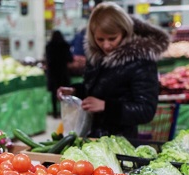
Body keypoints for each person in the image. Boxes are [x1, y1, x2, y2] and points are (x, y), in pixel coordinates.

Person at [57, 2, 170, 139]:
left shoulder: (141, 61)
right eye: (100, 39)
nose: (106, 45)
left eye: (112, 38)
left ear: (125, 32)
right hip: (93, 137)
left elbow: (146, 110)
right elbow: (99, 89)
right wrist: (75, 91)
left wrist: (107, 107)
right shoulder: (97, 56)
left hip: (121, 142)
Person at [45, 30, 74, 118]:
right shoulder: (65, 45)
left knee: (54, 94)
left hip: (53, 73)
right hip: (63, 73)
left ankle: (54, 112)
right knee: (65, 93)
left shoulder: (49, 46)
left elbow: (48, 60)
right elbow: (70, 59)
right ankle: (64, 112)